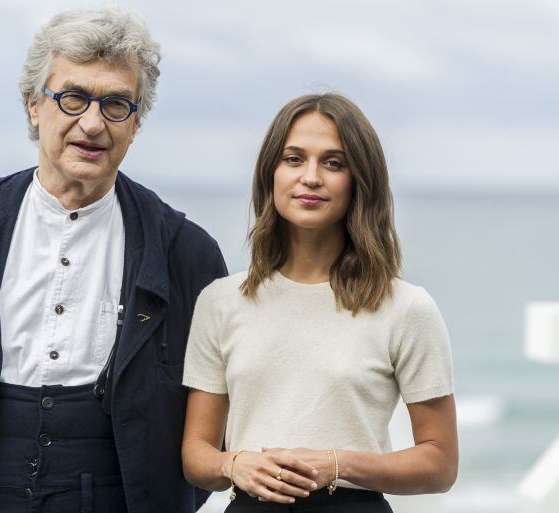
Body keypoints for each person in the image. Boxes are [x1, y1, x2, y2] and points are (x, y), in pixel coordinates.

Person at [0, 8, 226, 513]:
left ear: (136, 124)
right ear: (35, 106)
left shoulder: (186, 252)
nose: (93, 123)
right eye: (73, 98)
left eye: (117, 104)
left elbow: (214, 412)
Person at [180, 93, 458, 512]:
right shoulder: (221, 302)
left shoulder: (407, 308)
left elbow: (440, 463)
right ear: (270, 174)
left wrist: (335, 464)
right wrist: (234, 463)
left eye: (333, 163)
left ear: (360, 180)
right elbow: (196, 456)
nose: (311, 177)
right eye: (293, 159)